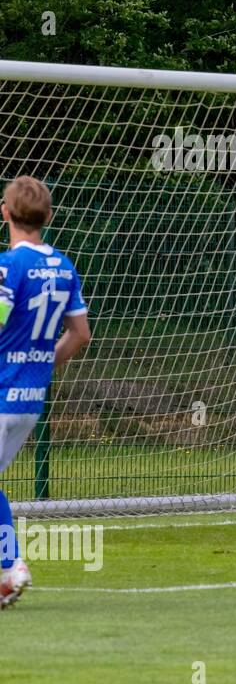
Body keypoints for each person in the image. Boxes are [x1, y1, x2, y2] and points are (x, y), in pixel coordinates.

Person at [0, 176, 92, 608]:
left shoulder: (9, 267)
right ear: (48, 217)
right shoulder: (64, 266)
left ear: (5, 212)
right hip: (31, 398)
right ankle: (8, 569)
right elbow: (80, 334)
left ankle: (12, 565)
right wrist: (41, 363)